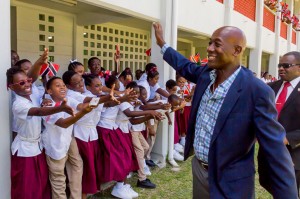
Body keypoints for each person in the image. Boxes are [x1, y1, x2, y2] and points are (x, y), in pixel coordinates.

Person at [153, 22, 298, 198]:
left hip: (231, 180)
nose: (209, 48)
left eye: (217, 44)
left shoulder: (256, 90)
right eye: (210, 43)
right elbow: (184, 65)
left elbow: (275, 149)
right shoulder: (206, 74)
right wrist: (162, 44)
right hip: (199, 169)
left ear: (236, 50)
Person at [267, 51, 300, 195]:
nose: (281, 68)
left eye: (286, 65)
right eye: (280, 65)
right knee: (270, 185)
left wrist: (288, 139)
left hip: (293, 155)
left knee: (288, 193)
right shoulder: (271, 87)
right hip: (268, 152)